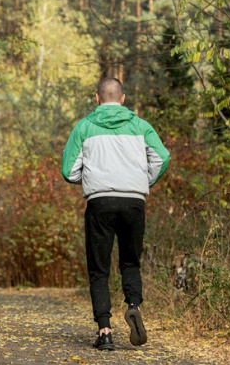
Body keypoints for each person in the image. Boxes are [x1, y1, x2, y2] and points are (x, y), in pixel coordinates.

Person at [61, 77, 170, 351]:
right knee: (130, 262)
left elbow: (68, 170)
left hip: (100, 202)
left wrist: (90, 178)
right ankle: (133, 305)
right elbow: (162, 157)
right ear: (122, 99)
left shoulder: (84, 127)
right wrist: (141, 181)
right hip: (133, 201)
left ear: (97, 99)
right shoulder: (140, 126)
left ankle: (105, 331)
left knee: (99, 269)